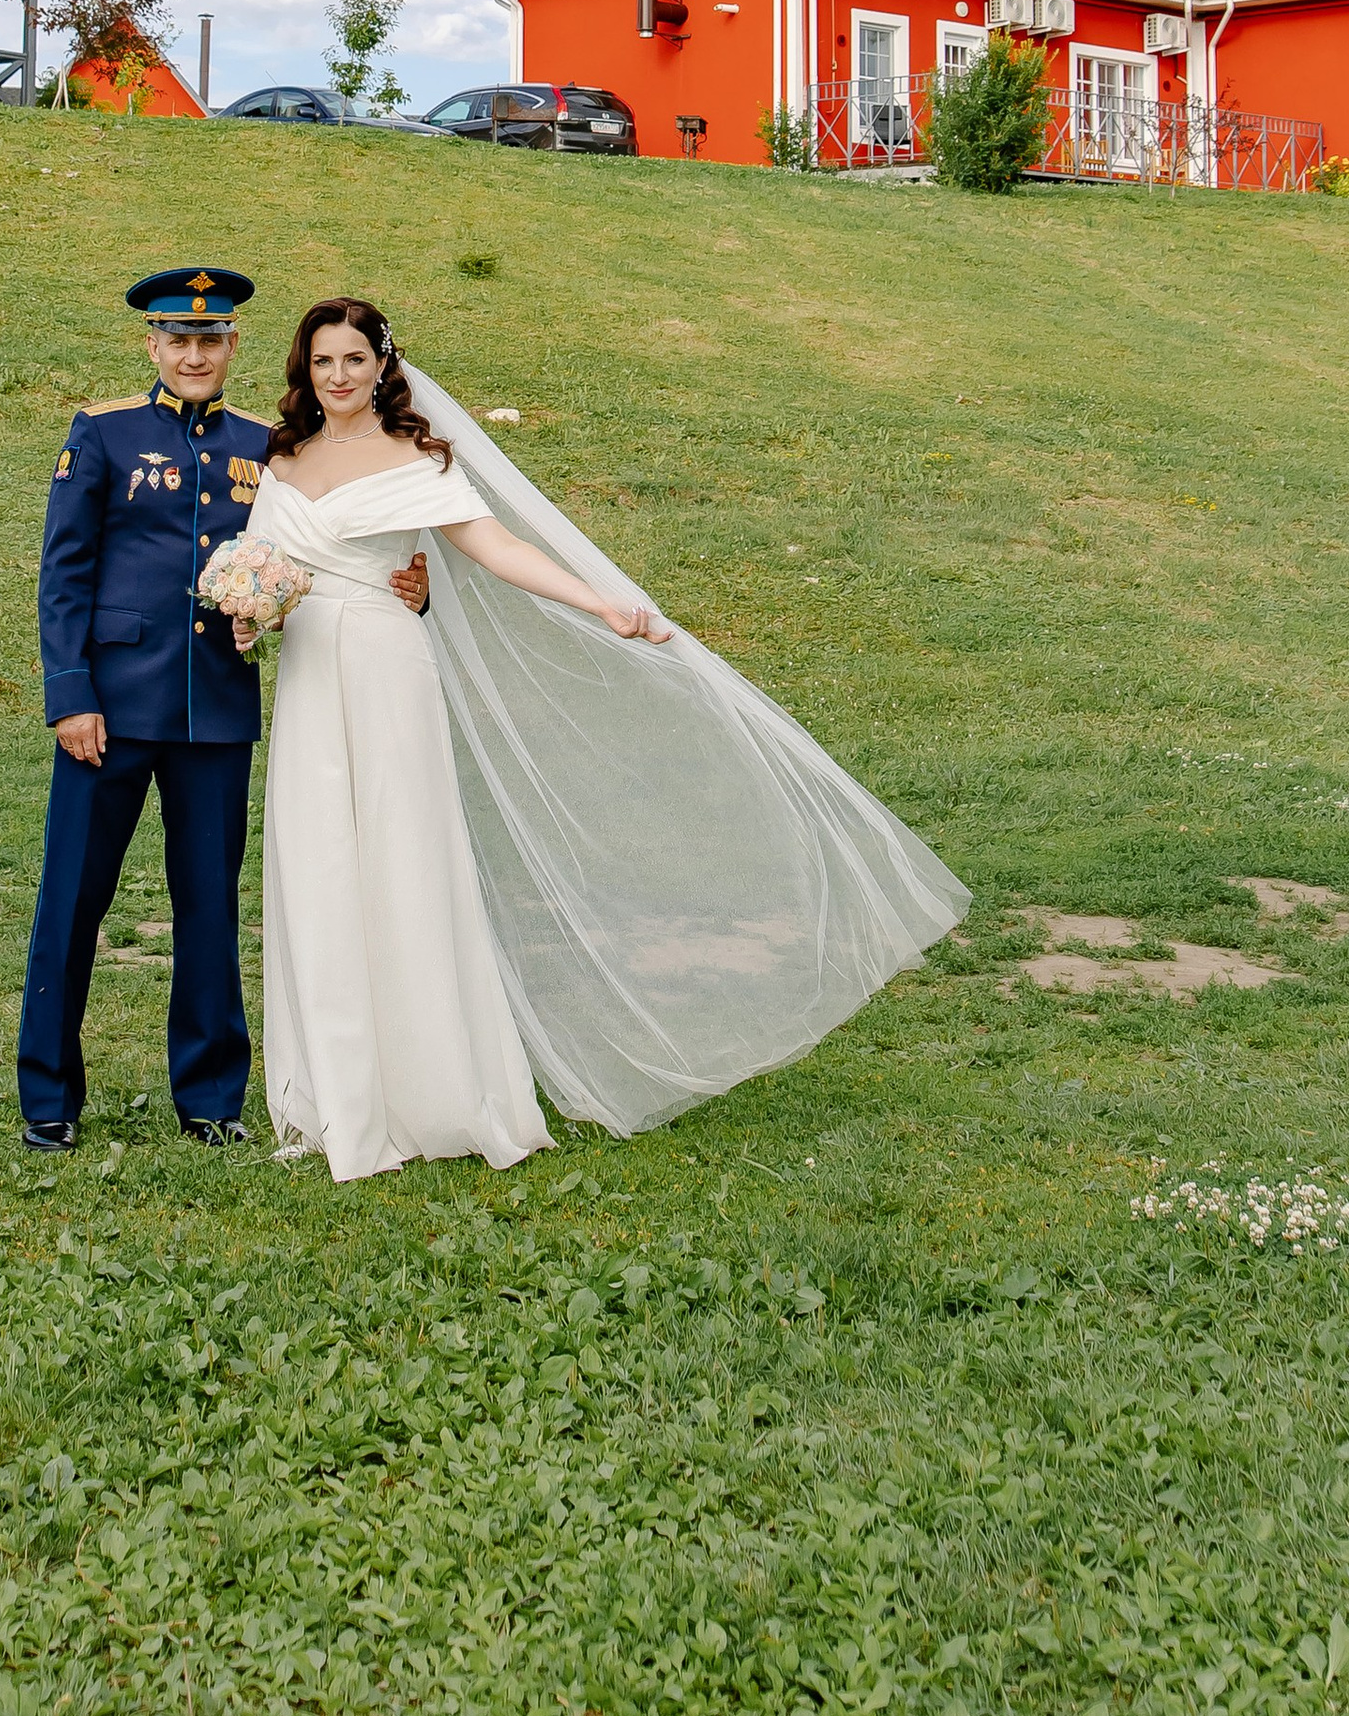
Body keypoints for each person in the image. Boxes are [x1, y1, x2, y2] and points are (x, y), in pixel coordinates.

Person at [244, 297, 970, 1182]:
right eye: (323, 360)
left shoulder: (416, 455)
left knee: (402, 861)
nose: (339, 376)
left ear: (381, 364)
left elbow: (497, 548)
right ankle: (336, 1094)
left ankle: (428, 1087)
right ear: (304, 367)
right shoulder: (284, 457)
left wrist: (601, 603)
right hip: (310, 679)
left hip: (387, 672)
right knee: (319, 862)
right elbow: (266, 568)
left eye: (355, 358)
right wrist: (250, 614)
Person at [16, 266, 425, 1151]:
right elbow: (64, 573)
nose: (194, 354)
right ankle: (48, 1096)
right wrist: (70, 694)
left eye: (211, 339)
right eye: (179, 339)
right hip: (109, 710)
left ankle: (209, 1099)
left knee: (208, 905)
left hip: (215, 712)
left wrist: (406, 585)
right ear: (153, 345)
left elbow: (316, 555)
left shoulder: (265, 447)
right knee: (73, 899)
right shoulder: (104, 432)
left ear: (233, 345)